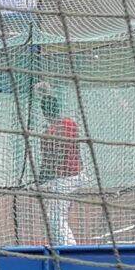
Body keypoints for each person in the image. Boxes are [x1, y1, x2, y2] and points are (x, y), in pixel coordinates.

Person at [34, 89, 87, 246]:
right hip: (80, 174)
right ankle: (60, 246)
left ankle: (70, 248)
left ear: (44, 113)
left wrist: (39, 181)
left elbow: (48, 164)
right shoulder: (71, 123)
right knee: (56, 214)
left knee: (56, 218)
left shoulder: (48, 134)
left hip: (65, 180)